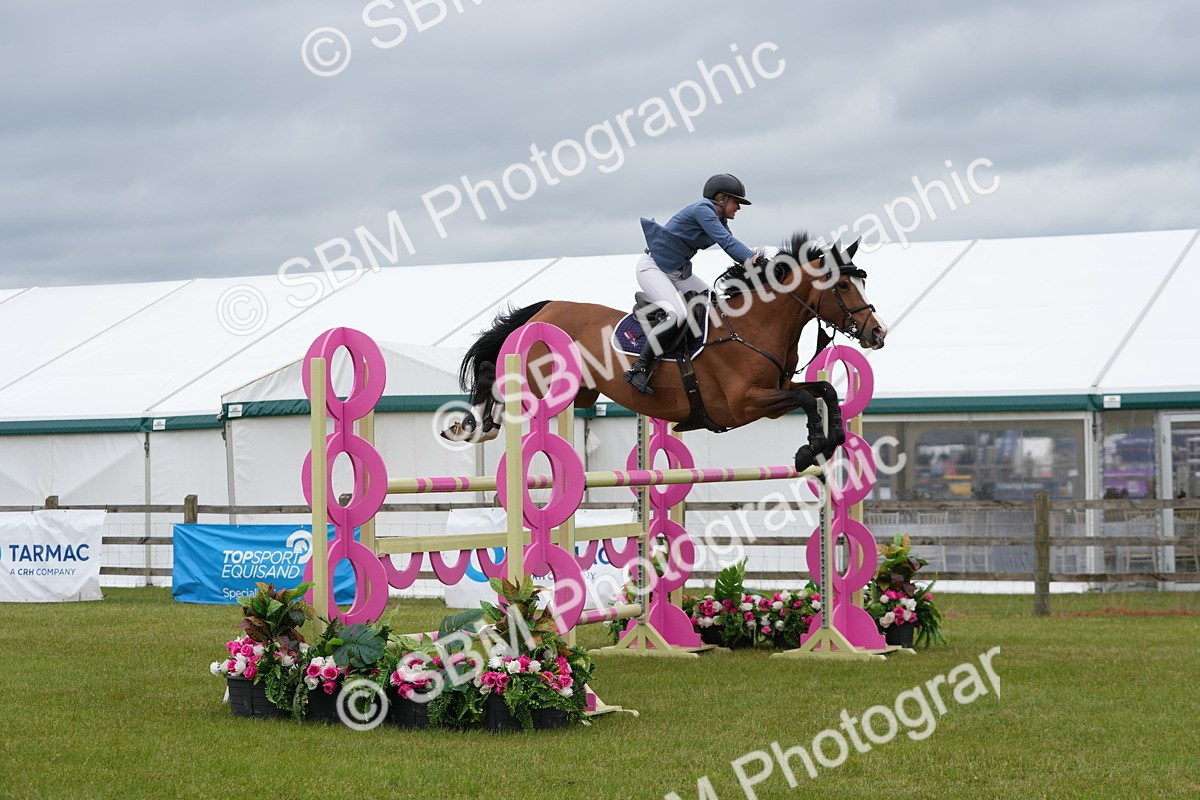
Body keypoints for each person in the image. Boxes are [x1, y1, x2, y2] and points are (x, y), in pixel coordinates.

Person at [623, 173, 764, 395]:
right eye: (737, 201)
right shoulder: (702, 210)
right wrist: (754, 259)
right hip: (653, 268)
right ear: (721, 198)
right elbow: (727, 243)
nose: (739, 207)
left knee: (712, 301)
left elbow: (732, 245)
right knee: (677, 314)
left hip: (677, 273)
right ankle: (638, 367)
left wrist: (758, 265)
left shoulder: (720, 220)